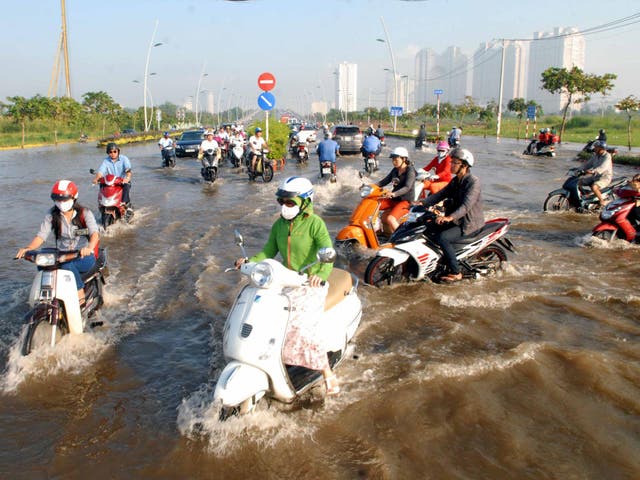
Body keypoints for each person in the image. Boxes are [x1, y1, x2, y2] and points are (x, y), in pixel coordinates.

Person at [234, 177, 340, 395]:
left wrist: (319, 275)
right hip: (284, 279)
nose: (285, 206)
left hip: (310, 283)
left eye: (290, 203)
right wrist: (249, 261)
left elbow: (327, 253)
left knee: (299, 326)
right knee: (261, 314)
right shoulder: (279, 225)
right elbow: (268, 251)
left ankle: (327, 372)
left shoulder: (315, 223)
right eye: (282, 201)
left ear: (305, 202)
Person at [16, 180, 100, 306]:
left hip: (83, 255)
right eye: (57, 200)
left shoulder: (85, 213)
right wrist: (28, 248)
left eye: (65, 199)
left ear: (74, 198)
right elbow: (41, 236)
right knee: (43, 266)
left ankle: (80, 294)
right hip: (61, 255)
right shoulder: (51, 214)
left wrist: (89, 248)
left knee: (66, 266)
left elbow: (95, 234)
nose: (61, 203)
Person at [420, 148, 484, 283]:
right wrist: (421, 203)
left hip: (467, 223)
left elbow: (466, 206)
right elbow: (440, 194)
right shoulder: (455, 181)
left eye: (455, 163)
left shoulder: (473, 182)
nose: (451, 165)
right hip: (455, 220)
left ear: (464, 166)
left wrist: (449, 217)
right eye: (452, 162)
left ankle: (456, 272)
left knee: (442, 238)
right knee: (426, 228)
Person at [375, 146, 417, 233]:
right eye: (393, 160)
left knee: (390, 219)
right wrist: (371, 186)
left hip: (405, 201)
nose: (394, 162)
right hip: (394, 199)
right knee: (375, 206)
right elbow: (384, 181)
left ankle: (402, 239)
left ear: (404, 159)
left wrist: (394, 194)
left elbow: (407, 187)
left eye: (396, 160)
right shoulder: (395, 170)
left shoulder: (410, 171)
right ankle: (387, 236)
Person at [574, 140, 613, 208]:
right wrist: (579, 169)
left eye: (596, 147)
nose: (594, 148)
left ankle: (602, 201)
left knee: (594, 187)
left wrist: (593, 171)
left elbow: (603, 167)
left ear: (601, 148)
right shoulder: (595, 156)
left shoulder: (607, 156)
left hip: (604, 177)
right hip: (595, 176)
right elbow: (587, 164)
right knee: (578, 182)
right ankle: (587, 197)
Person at [612, 174, 640, 241]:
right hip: (634, 206)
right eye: (634, 180)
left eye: (637, 180)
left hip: (637, 207)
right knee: (629, 213)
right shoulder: (632, 186)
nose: (634, 181)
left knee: (636, 212)